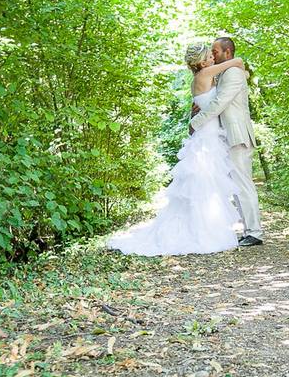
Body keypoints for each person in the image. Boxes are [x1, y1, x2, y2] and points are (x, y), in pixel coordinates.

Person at [107, 43, 244, 256]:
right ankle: (203, 233)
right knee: (205, 184)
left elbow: (206, 100)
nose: (212, 58)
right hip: (207, 135)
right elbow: (237, 62)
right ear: (200, 62)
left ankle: (206, 229)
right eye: (209, 56)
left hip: (207, 133)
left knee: (206, 184)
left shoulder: (201, 77)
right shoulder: (206, 72)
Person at [189, 37, 263, 246]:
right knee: (235, 185)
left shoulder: (233, 73)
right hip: (225, 136)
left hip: (237, 135)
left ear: (227, 53)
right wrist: (199, 106)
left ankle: (255, 232)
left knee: (243, 184)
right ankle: (248, 229)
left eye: (216, 52)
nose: (213, 56)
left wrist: (196, 122)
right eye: (211, 53)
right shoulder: (221, 73)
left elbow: (221, 102)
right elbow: (212, 99)